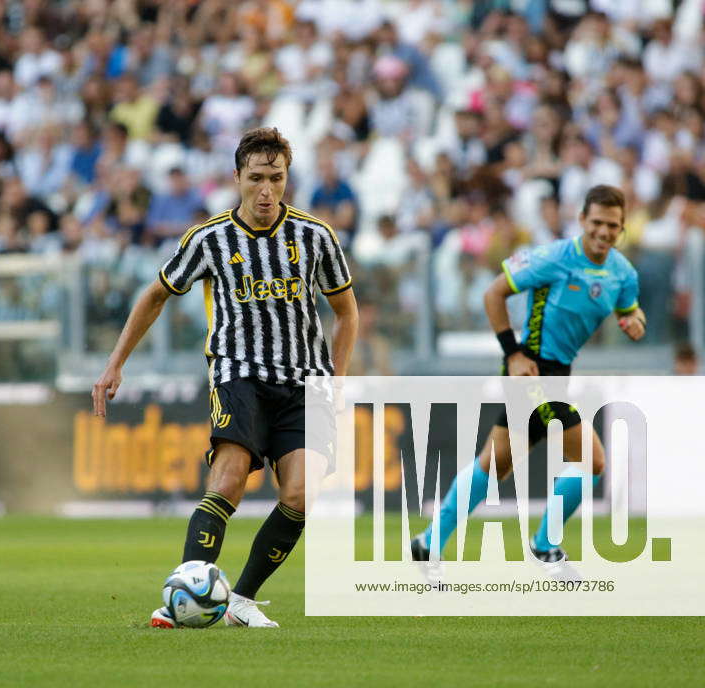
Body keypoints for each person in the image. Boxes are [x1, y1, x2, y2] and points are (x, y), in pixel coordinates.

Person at [92, 127, 358, 628]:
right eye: (255, 177)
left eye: (275, 178)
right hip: (238, 375)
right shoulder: (208, 238)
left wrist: (335, 382)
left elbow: (347, 313)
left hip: (304, 383)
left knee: (301, 495)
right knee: (230, 478)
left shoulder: (315, 235)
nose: (265, 190)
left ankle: (239, 599)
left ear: (286, 179)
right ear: (236, 177)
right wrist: (115, 362)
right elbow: (155, 295)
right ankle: (186, 589)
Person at [412, 185, 645, 574]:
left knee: (496, 464)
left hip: (559, 373)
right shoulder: (554, 257)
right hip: (532, 369)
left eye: (613, 226)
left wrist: (634, 322)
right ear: (582, 221)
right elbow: (493, 293)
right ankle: (545, 546)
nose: (604, 232)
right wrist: (513, 354)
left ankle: (428, 542)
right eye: (598, 223)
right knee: (594, 459)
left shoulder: (623, 272)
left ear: (621, 228)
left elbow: (630, 310)